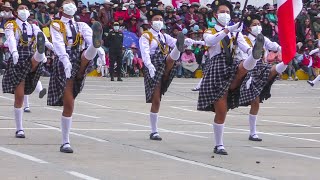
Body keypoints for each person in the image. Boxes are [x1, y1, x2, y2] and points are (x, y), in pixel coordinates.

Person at [197, 0, 267, 155]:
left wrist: (251, 50)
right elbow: (210, 41)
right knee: (221, 111)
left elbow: (244, 46)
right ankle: (219, 144)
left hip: (234, 64)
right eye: (222, 12)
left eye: (228, 12)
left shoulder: (236, 32)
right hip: (217, 66)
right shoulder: (210, 30)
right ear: (215, 15)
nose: (225, 14)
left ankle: (254, 57)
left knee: (243, 66)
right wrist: (227, 30)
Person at [48, 0, 103, 153]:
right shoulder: (56, 25)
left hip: (79, 58)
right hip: (63, 61)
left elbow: (88, 36)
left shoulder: (82, 25)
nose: (70, 5)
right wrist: (65, 60)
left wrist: (101, 52)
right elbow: (58, 44)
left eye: (72, 3)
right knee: (69, 104)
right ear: (61, 8)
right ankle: (65, 142)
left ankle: (95, 47)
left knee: (88, 52)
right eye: (67, 3)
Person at [139, 9, 200, 141]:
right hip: (154, 64)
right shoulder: (146, 36)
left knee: (173, 55)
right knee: (156, 99)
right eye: (156, 19)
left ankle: (178, 49)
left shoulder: (165, 36)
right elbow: (145, 53)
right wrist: (149, 66)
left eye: (161, 20)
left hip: (165, 63)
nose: (159, 22)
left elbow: (175, 41)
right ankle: (154, 131)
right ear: (150, 22)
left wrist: (196, 42)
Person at [2, 2, 53, 139]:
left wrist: (54, 48)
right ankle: (19, 128)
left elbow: (44, 38)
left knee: (39, 51)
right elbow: (11, 39)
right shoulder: (11, 25)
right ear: (16, 12)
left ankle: (40, 55)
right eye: (21, 8)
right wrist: (13, 52)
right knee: (19, 97)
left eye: (26, 8)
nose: (24, 10)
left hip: (29, 55)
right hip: (18, 58)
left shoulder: (33, 26)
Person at [238, 14, 285, 142]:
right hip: (249, 70)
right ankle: (253, 132)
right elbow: (244, 57)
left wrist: (285, 49)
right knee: (255, 102)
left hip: (262, 69)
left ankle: (286, 62)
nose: (258, 27)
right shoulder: (244, 39)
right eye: (254, 25)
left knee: (276, 68)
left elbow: (274, 46)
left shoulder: (263, 38)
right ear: (248, 28)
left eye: (259, 24)